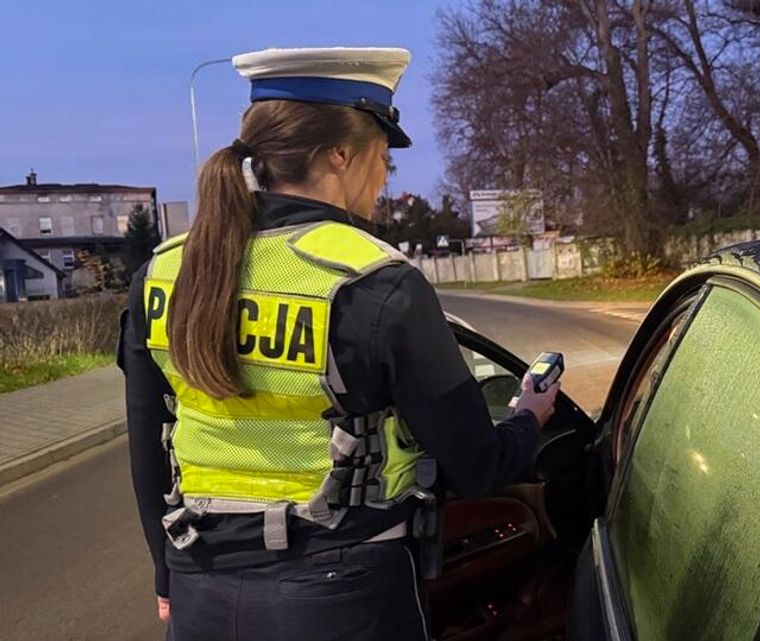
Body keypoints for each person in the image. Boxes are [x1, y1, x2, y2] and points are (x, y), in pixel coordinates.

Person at [118, 47, 559, 641]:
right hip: (344, 593)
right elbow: (476, 465)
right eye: (383, 159)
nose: (383, 178)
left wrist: (165, 576)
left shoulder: (165, 271)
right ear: (340, 155)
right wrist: (528, 418)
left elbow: (150, 447)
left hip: (201, 585)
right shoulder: (375, 281)